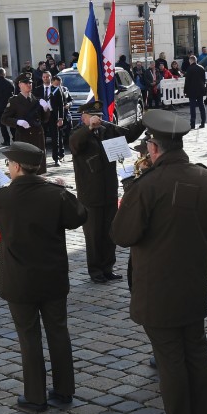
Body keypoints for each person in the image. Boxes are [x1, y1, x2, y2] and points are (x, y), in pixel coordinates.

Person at [111, 110, 207, 414]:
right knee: (197, 355)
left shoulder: (145, 185)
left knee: (171, 362)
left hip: (157, 292)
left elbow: (121, 236)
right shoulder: (205, 177)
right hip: (194, 284)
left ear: (154, 147)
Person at [0, 142, 87, 413]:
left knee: (28, 336)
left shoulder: (0, 198)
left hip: (19, 279)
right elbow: (79, 217)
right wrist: (62, 189)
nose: (7, 168)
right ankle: (64, 390)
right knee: (58, 331)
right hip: (52, 276)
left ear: (17, 167)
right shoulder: (55, 194)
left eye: (9, 164)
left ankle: (35, 396)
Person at [70, 101, 136, 283]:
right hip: (90, 193)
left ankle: (108, 267)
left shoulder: (107, 130)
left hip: (109, 191)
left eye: (99, 115)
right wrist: (89, 128)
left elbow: (127, 136)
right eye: (93, 115)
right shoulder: (78, 132)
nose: (98, 118)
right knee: (93, 235)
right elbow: (74, 144)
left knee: (109, 232)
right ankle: (95, 270)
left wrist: (144, 122)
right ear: (83, 116)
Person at [2, 73, 51, 174]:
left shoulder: (36, 100)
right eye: (26, 83)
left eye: (30, 82)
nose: (29, 84)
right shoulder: (14, 100)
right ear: (19, 85)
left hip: (37, 135)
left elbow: (44, 120)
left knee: (38, 165)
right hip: (24, 136)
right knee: (26, 165)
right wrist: (17, 122)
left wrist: (46, 109)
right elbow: (4, 119)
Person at [0, 68, 15, 146]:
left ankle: (6, 140)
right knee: (11, 123)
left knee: (2, 124)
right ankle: (15, 139)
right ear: (4, 74)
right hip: (9, 106)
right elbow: (13, 93)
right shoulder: (10, 82)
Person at [184, 55, 207, 129]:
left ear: (191, 61)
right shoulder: (201, 68)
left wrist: (185, 91)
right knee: (201, 106)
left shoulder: (189, 69)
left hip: (192, 90)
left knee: (192, 107)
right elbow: (204, 79)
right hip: (200, 89)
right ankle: (203, 122)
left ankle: (192, 124)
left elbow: (187, 81)